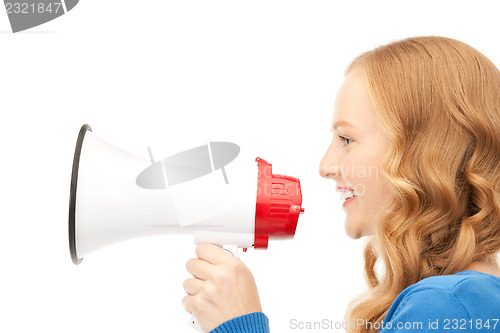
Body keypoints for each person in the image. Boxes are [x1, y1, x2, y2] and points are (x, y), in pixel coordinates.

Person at [182, 36, 500, 333]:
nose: (325, 166)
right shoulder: (468, 301)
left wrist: (239, 323)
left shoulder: (446, 306)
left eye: (347, 139)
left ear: (425, 153)